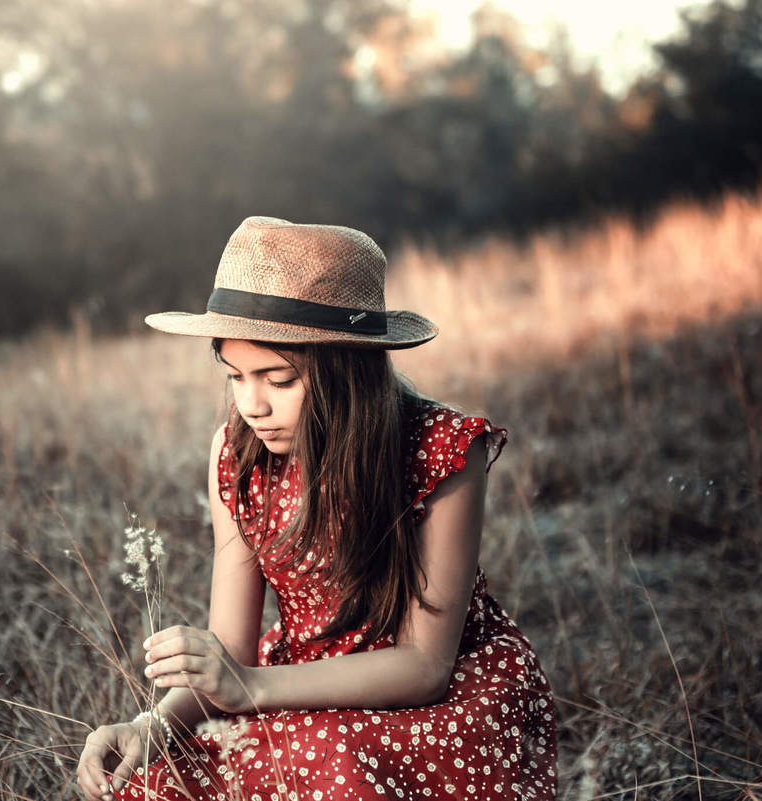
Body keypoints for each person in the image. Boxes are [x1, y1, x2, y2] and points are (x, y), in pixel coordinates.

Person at [75, 217, 557, 801]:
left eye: (278, 379)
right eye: (236, 378)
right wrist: (149, 726)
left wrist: (250, 688)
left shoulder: (443, 448)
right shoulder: (237, 452)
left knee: (331, 760)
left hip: (432, 697)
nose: (252, 404)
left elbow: (425, 665)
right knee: (154, 784)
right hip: (287, 681)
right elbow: (233, 642)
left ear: (345, 370)